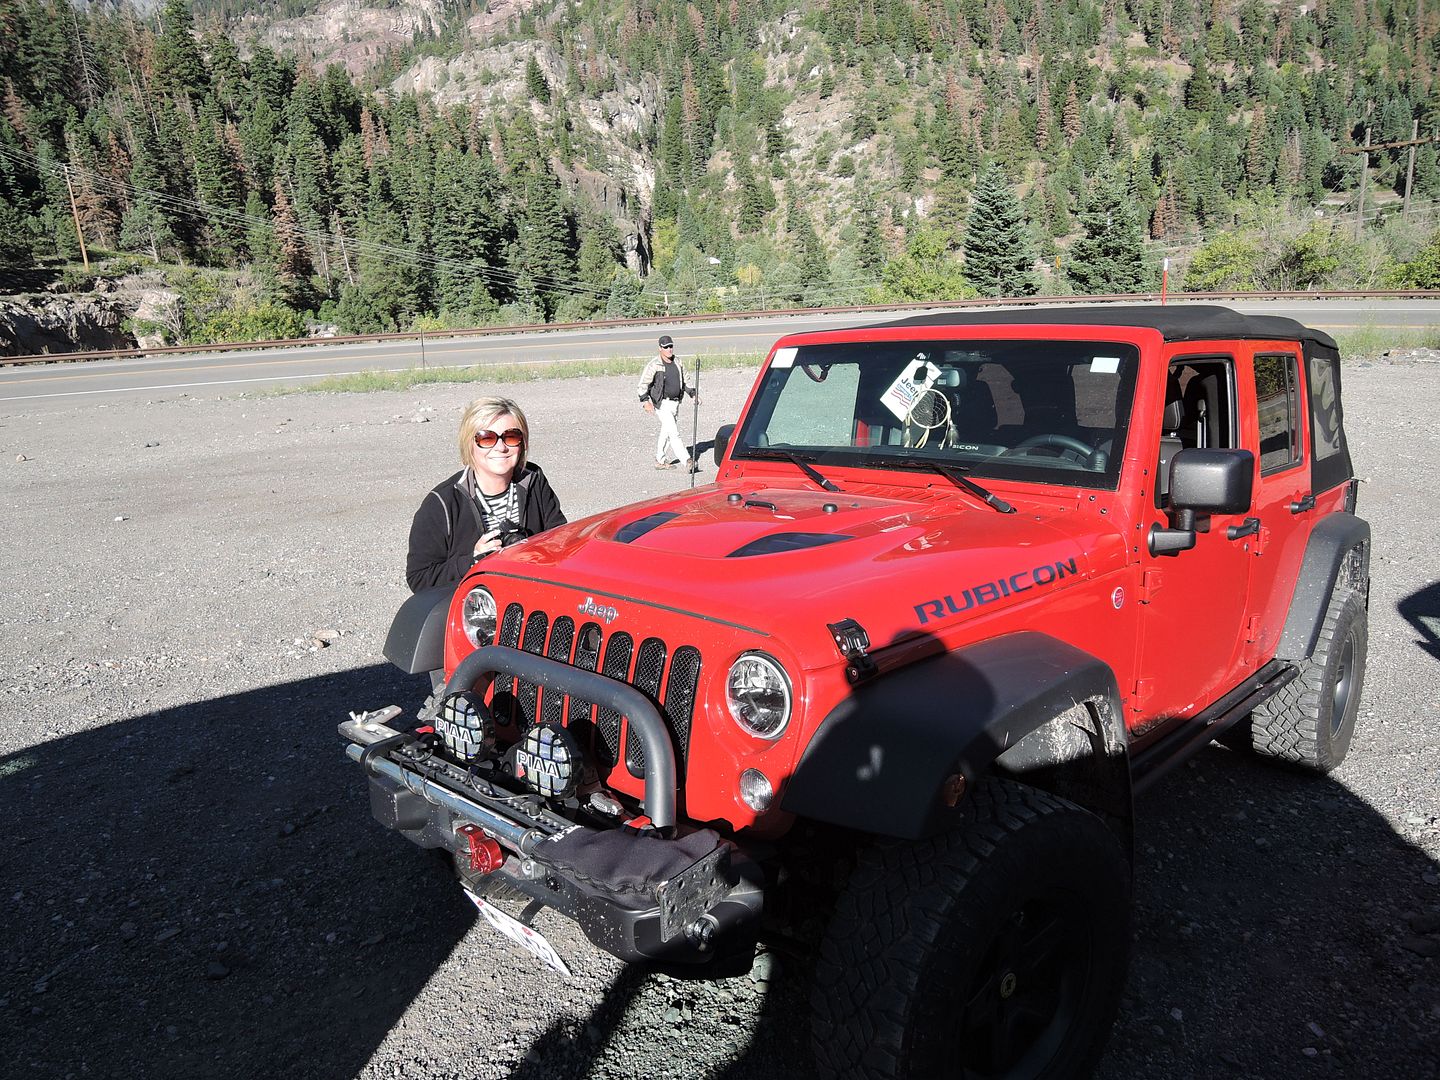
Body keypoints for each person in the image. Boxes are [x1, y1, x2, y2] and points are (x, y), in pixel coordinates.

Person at [406, 396, 566, 592]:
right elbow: (419, 578)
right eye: (487, 438)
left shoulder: (533, 481)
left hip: (530, 599)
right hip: (475, 610)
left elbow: (561, 541)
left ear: (522, 442)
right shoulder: (442, 502)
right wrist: (473, 560)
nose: (501, 447)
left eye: (511, 436)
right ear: (469, 443)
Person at [636, 333, 700, 472]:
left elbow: (686, 381)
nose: (669, 349)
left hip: (675, 402)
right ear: (660, 348)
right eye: (666, 347)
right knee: (673, 433)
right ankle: (687, 460)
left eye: (671, 346)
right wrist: (646, 401)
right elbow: (642, 385)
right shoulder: (654, 364)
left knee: (666, 431)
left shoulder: (678, 362)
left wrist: (693, 394)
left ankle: (660, 460)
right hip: (662, 404)